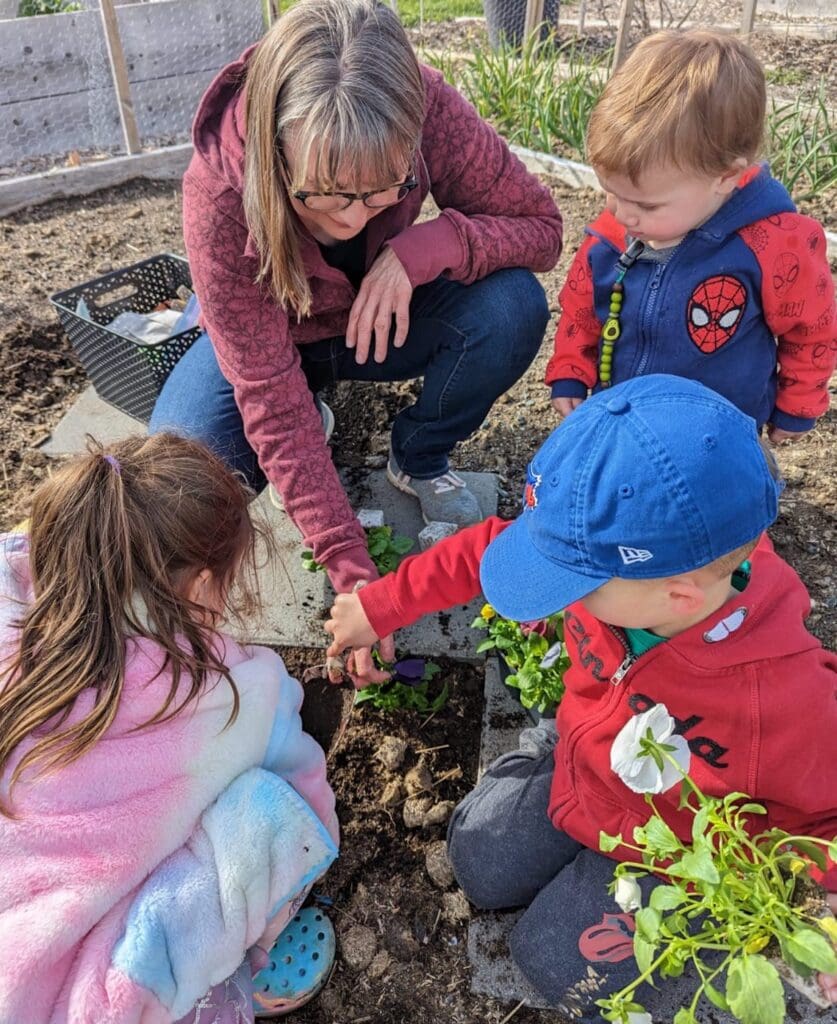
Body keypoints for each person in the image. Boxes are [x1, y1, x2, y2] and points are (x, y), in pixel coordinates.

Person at [324, 375, 837, 1016]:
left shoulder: (788, 701)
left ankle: (701, 957)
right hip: (583, 764)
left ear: (676, 597)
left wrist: (820, 912)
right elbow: (486, 549)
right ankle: (556, 752)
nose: (558, 593)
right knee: (476, 859)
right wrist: (379, 606)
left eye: (572, 581)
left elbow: (824, 821)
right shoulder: (637, 578)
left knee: (549, 961)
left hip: (664, 849)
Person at [150, 0, 561, 663]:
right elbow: (264, 392)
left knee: (512, 306)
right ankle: (315, 416)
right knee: (180, 476)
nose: (351, 218)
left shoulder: (429, 109)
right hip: (273, 349)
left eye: (379, 194)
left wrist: (428, 245)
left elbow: (540, 227)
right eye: (325, 196)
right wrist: (350, 568)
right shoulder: (220, 195)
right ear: (277, 153)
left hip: (386, 326)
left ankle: (418, 456)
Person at [0, 434, 339, 1024]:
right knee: (272, 819)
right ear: (203, 588)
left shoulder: (14, 620)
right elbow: (307, 810)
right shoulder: (242, 691)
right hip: (98, 996)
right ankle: (233, 977)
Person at [545, 30, 836, 445]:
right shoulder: (613, 236)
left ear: (726, 177)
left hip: (723, 430)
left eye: (646, 206)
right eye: (610, 192)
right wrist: (571, 372)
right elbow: (582, 310)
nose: (622, 214)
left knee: (723, 500)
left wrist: (798, 403)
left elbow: (811, 328)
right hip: (624, 414)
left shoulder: (775, 243)